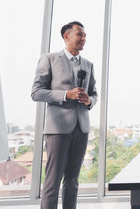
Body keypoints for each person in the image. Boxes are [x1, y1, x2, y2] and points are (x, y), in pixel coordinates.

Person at [32, 21, 97, 209]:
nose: (83, 38)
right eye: (80, 34)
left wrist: (89, 101)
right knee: (53, 181)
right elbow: (36, 93)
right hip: (57, 130)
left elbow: (94, 93)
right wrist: (65, 95)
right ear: (66, 36)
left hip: (82, 128)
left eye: (85, 35)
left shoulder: (88, 64)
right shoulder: (49, 59)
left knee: (73, 181)